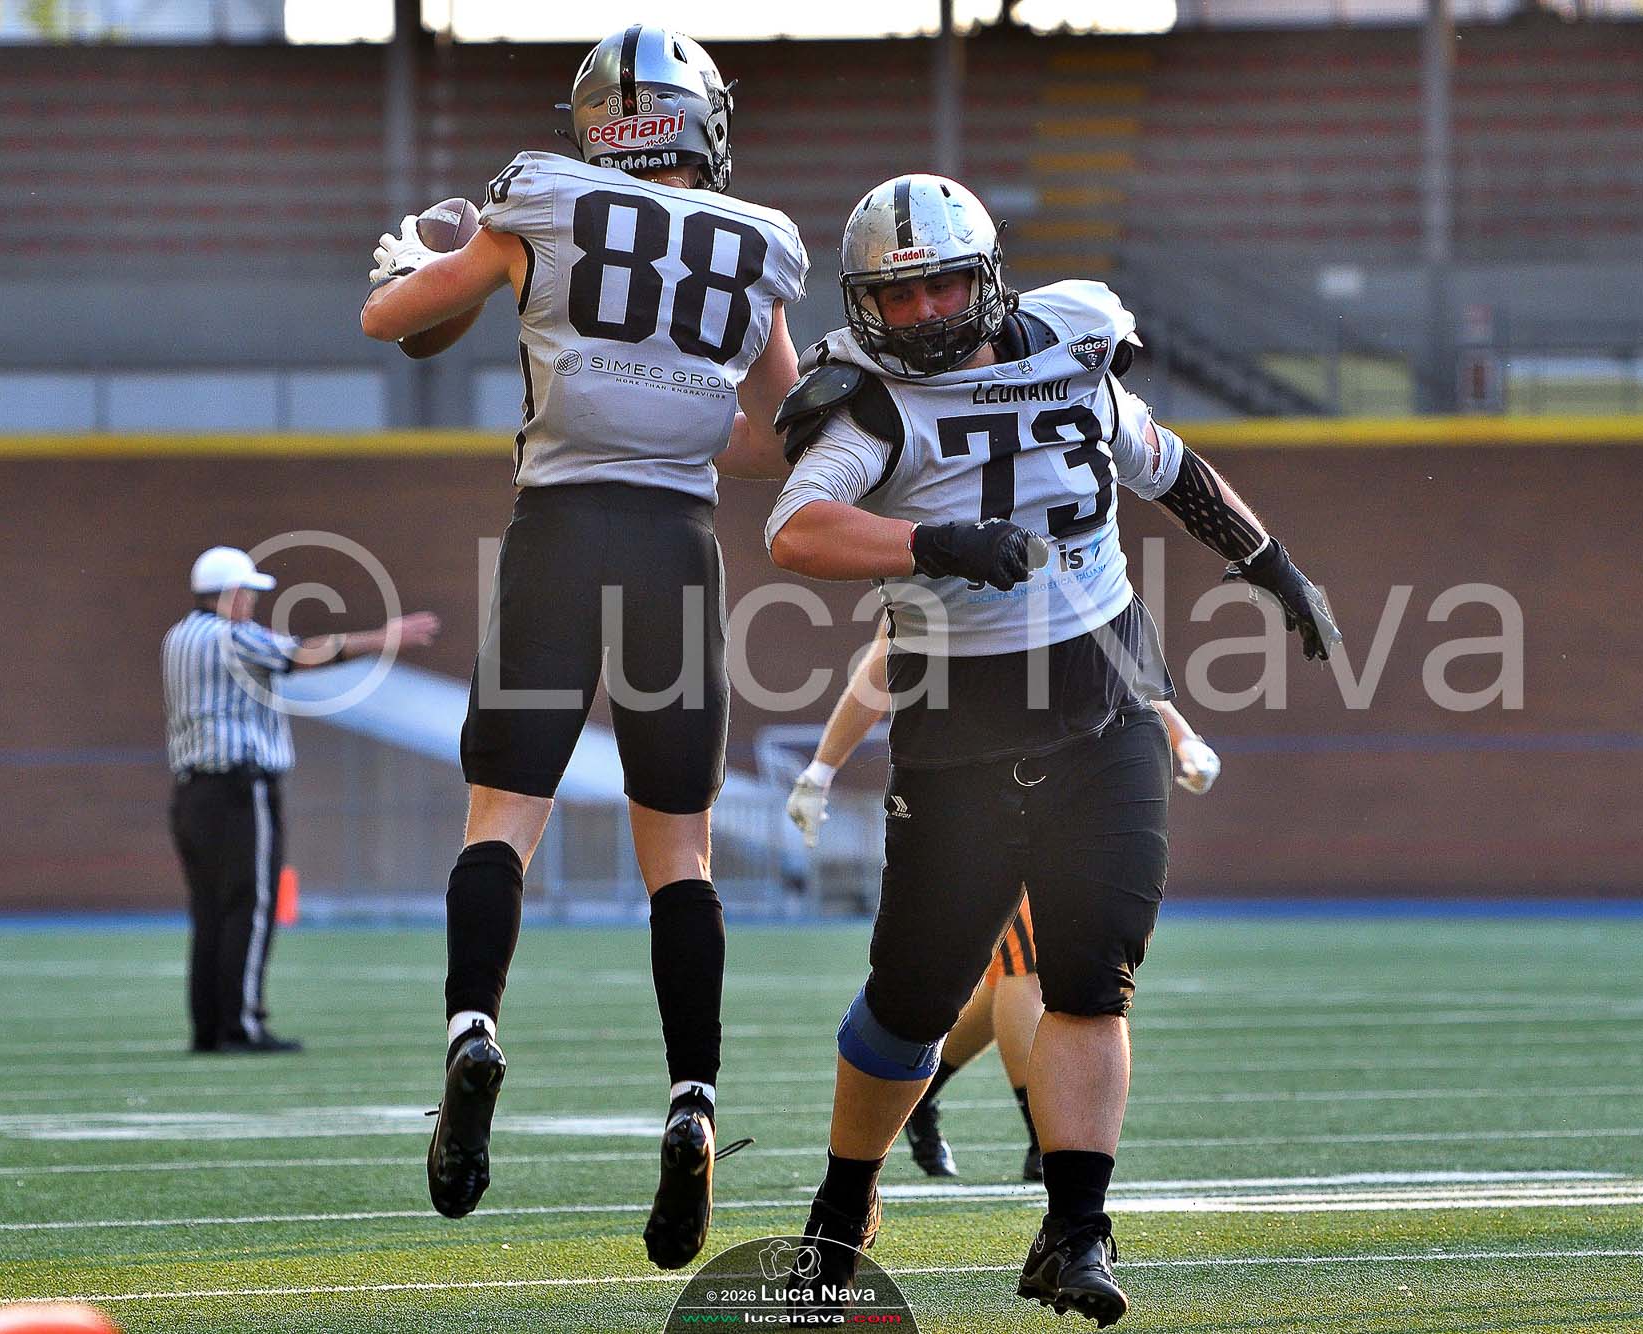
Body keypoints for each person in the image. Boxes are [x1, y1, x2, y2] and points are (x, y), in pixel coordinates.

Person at [766, 174, 1338, 1325]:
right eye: (896, 295)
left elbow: (1168, 466)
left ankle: (1076, 1230)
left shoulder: (1073, 346)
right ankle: (842, 1203)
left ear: (984, 279)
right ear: (864, 304)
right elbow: (795, 529)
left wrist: (1269, 563)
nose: (922, 312)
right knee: (911, 1000)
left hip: (1104, 703)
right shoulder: (869, 402)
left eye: (940, 286)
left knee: (1089, 976)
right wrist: (931, 540)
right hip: (957, 726)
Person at [358, 25, 807, 1270]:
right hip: (675, 548)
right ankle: (691, 1100)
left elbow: (391, 318)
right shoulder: (757, 238)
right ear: (699, 121)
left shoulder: (540, 200)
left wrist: (418, 260)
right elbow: (773, 433)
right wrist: (675, 405)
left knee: (501, 820)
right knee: (680, 854)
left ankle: (471, 1028)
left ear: (598, 121)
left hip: (555, 533)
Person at [786, 634, 1221, 1183]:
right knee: (1024, 968)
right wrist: (821, 769)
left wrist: (1180, 733)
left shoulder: (1069, 583)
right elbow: (884, 653)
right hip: (981, 781)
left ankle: (930, 1094)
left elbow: (1105, 642)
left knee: (1016, 973)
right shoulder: (945, 585)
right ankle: (1044, 1135)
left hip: (1075, 773)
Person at [162, 545, 440, 1054]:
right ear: (231, 593)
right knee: (250, 905)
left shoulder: (178, 637)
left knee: (209, 910)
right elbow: (303, 654)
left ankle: (209, 1026)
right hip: (239, 788)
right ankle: (240, 1024)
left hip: (191, 792)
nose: (252, 603)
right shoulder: (232, 637)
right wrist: (381, 639)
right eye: (248, 593)